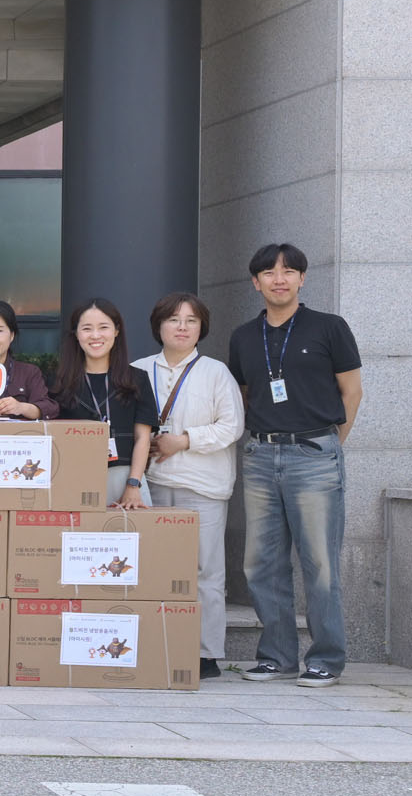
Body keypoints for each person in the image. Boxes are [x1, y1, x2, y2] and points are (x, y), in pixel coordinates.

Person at [229, 243, 362, 687]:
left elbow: (352, 392)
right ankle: (277, 656)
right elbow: (244, 395)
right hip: (261, 455)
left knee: (319, 562)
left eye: (289, 271)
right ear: (256, 282)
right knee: (261, 562)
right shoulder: (243, 336)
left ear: (302, 278)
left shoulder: (329, 327)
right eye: (269, 272)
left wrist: (330, 445)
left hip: (314, 454)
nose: (279, 279)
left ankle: (326, 658)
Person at [134, 291, 244, 681]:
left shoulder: (216, 372)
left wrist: (184, 440)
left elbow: (232, 426)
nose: (182, 327)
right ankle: (151, 646)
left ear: (202, 328)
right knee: (150, 569)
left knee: (205, 571)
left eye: (191, 321)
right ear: (158, 326)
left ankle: (205, 653)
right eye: (173, 320)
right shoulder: (138, 369)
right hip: (150, 485)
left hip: (202, 486)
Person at [54, 297, 155, 508]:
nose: (95, 335)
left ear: (116, 331)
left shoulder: (137, 379)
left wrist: (133, 484)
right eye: (87, 328)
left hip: (125, 479)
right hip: (74, 478)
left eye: (103, 327)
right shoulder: (58, 383)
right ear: (76, 334)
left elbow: (143, 438)